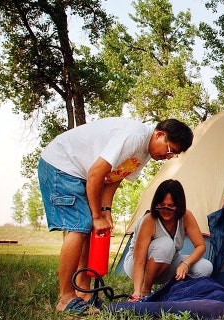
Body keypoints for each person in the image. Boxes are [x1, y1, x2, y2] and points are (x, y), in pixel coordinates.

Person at [37, 117, 193, 315]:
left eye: (174, 155)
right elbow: (96, 174)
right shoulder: (135, 136)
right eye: (170, 150)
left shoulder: (144, 153)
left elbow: (113, 179)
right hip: (62, 166)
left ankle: (83, 293)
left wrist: (106, 211)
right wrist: (96, 216)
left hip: (78, 173)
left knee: (85, 229)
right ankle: (66, 298)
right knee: (79, 226)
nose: (169, 157)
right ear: (160, 135)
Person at [123, 179, 213, 301]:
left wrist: (186, 264)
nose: (166, 211)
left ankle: (173, 292)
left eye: (171, 206)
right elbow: (138, 261)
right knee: (166, 244)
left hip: (166, 263)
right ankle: (146, 291)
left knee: (205, 267)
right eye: (161, 206)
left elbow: (201, 246)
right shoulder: (149, 220)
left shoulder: (186, 216)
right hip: (137, 265)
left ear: (179, 205)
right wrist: (137, 292)